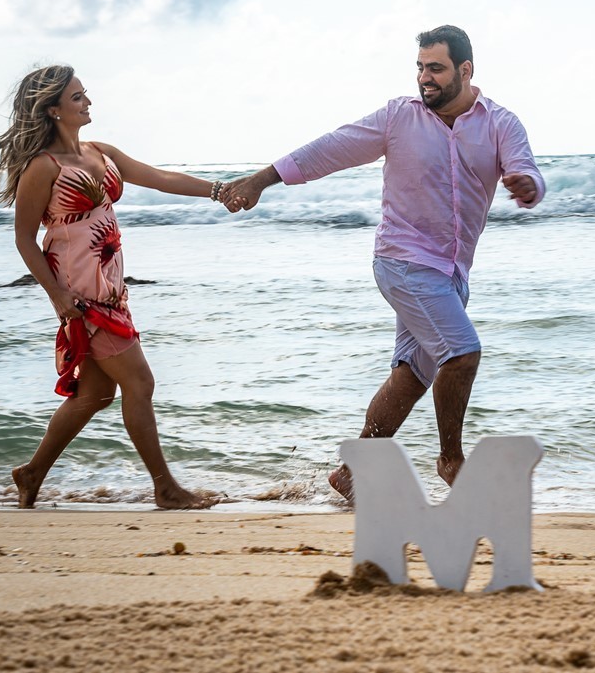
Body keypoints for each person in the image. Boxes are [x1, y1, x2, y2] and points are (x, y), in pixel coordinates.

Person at [223, 25, 545, 502]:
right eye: (419, 68)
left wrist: (525, 184)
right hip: (402, 259)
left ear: (465, 69)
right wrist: (261, 179)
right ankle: (451, 461)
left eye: (435, 68)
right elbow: (331, 148)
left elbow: (527, 169)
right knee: (462, 352)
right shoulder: (399, 117)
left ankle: (352, 473)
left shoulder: (500, 122)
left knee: (414, 373)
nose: (425, 78)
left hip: (452, 272)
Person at [0, 65, 236, 509]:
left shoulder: (101, 152)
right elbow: (24, 238)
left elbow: (162, 178)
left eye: (85, 94)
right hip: (79, 287)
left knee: (97, 394)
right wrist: (58, 296)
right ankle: (166, 488)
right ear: (52, 109)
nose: (87, 103)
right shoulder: (42, 168)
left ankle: (31, 473)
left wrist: (220, 190)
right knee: (139, 382)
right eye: (78, 97)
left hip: (111, 284)